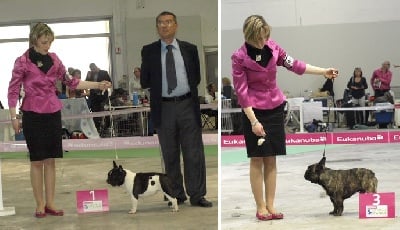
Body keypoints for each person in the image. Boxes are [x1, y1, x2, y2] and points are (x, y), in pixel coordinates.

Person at [231, 15, 338, 221]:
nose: (264, 42)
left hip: (274, 107)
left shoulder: (273, 48)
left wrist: (322, 71)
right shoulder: (239, 57)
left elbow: (295, 65)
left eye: (266, 37)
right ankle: (260, 206)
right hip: (253, 111)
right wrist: (254, 121)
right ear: (249, 36)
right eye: (259, 38)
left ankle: (271, 205)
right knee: (257, 158)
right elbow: (242, 92)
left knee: (271, 158)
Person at [7, 22, 112, 218]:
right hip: (32, 114)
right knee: (37, 161)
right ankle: (39, 204)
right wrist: (13, 116)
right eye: (44, 42)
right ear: (35, 40)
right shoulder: (22, 61)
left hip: (53, 113)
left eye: (50, 42)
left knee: (51, 160)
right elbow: (13, 90)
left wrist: (98, 84)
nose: (48, 46)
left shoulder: (55, 60)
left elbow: (72, 82)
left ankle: (51, 203)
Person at [140, 11, 212, 207]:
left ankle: (197, 195)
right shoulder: (149, 51)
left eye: (169, 22)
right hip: (163, 108)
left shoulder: (190, 49)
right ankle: (175, 194)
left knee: (193, 153)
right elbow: (145, 80)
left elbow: (195, 78)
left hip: (187, 105)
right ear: (157, 27)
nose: (165, 26)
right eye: (161, 23)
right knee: (170, 154)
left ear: (176, 25)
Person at [85, 63, 112, 131]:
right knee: (95, 112)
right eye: (91, 69)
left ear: (96, 66)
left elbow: (110, 83)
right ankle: (96, 128)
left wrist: (104, 85)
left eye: (94, 68)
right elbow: (86, 83)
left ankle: (107, 126)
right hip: (94, 96)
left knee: (105, 110)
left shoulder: (104, 73)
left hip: (103, 96)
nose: (93, 70)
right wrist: (88, 76)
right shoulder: (90, 74)